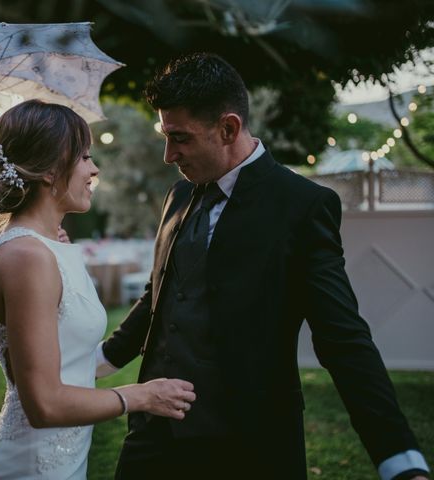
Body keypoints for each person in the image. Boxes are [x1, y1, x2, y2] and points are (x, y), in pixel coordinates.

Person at [96, 53, 430, 479]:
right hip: (153, 437)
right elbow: (159, 300)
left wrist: (399, 458)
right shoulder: (178, 196)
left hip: (247, 444)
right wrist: (86, 367)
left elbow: (343, 339)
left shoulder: (302, 207)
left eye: (179, 138)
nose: (168, 155)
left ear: (228, 128)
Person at [0, 99, 196, 480]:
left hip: (64, 456)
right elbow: (44, 404)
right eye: (83, 157)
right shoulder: (28, 256)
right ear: (49, 171)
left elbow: (66, 360)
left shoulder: (43, 248)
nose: (94, 169)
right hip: (34, 465)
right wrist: (142, 395)